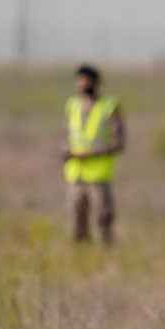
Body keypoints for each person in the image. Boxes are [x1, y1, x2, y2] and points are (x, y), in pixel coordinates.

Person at [61, 64, 125, 244]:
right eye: (80, 80)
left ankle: (107, 252)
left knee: (103, 217)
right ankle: (80, 255)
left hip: (98, 175)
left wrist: (92, 153)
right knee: (75, 219)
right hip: (76, 174)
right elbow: (65, 135)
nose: (82, 84)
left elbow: (118, 142)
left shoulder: (109, 106)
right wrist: (66, 151)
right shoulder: (72, 106)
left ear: (96, 82)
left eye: (86, 79)